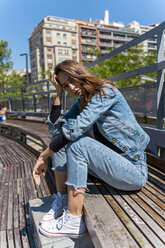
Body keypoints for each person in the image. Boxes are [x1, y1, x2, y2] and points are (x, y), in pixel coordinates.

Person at [33, 60, 150, 239]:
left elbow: (76, 129)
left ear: (79, 73)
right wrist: (58, 93)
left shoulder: (105, 91)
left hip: (132, 170)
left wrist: (43, 156)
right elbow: (55, 130)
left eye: (72, 80)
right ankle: (63, 201)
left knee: (77, 142)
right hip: (110, 169)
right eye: (65, 85)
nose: (71, 87)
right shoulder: (82, 101)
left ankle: (73, 220)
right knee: (63, 139)